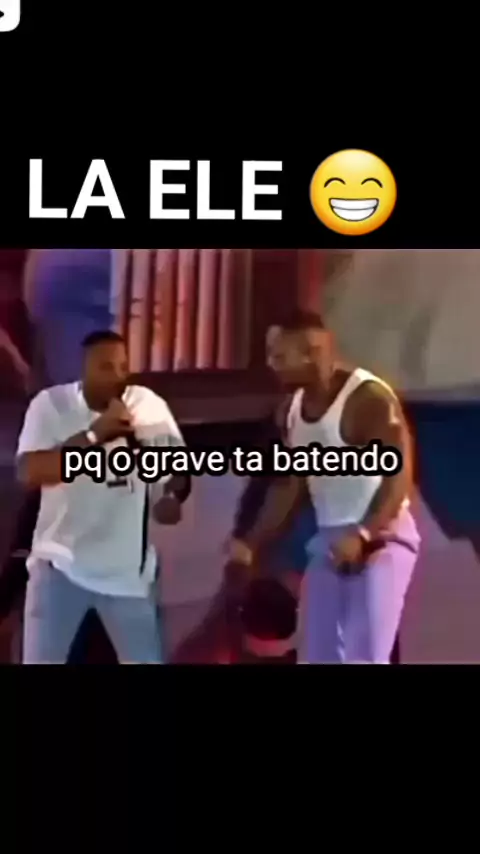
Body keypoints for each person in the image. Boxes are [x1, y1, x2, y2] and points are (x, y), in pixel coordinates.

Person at [227, 311, 420, 664]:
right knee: (318, 656)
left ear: (311, 353)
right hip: (329, 543)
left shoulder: (368, 400)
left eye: (279, 356)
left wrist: (364, 533)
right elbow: (289, 487)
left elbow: (399, 476)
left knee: (364, 656)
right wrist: (252, 542)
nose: (270, 364)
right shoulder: (290, 411)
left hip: (383, 540)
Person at [16, 330, 189, 664]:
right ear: (84, 369)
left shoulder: (147, 406)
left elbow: (177, 471)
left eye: (123, 367)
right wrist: (96, 435)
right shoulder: (52, 406)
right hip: (61, 565)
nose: (118, 376)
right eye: (106, 367)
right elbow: (30, 472)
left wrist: (171, 496)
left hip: (128, 577)